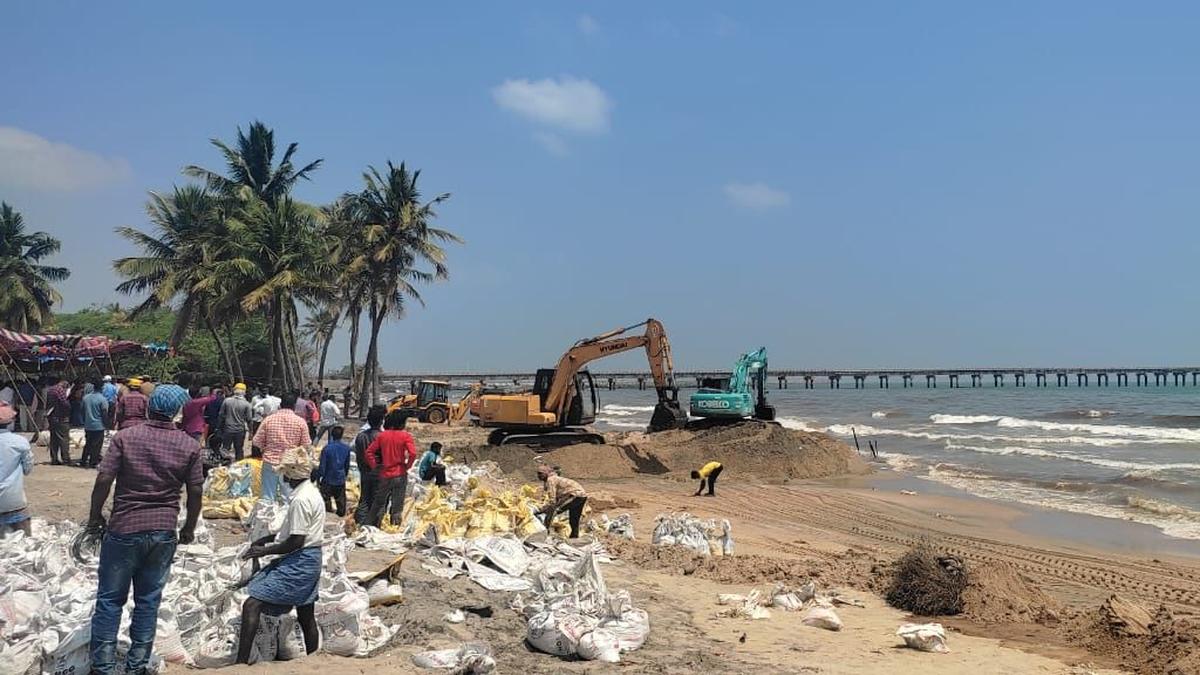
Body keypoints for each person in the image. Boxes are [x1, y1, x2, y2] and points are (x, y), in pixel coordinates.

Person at [87, 384, 202, 675]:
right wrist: (189, 527)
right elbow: (196, 491)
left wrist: (95, 517)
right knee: (148, 602)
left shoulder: (126, 437)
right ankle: (137, 666)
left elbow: (104, 479)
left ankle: (103, 667)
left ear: (150, 407)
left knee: (110, 600)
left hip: (124, 527)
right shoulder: (189, 445)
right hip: (163, 531)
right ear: (176, 411)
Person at [236, 445, 323, 664]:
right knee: (305, 613)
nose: (282, 478)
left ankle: (240, 663)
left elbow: (296, 541)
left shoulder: (301, 500)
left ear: (291, 474)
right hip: (310, 558)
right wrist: (267, 539)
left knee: (252, 604)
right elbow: (293, 531)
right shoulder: (310, 493)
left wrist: (264, 551)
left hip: (300, 561)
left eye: (284, 474)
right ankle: (314, 661)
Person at [252, 392, 312, 503]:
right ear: (294, 406)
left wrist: (265, 448)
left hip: (270, 462)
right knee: (288, 497)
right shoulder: (300, 422)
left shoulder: (268, 420)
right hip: (290, 464)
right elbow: (306, 446)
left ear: (280, 405)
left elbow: (256, 442)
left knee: (267, 496)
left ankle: (267, 513)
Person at [364, 410, 417, 527]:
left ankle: (371, 526)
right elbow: (413, 453)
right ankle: (394, 527)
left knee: (378, 503)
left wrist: (375, 466)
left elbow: (369, 452)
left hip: (385, 474)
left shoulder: (382, 435)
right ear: (401, 423)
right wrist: (407, 466)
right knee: (397, 506)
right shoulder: (406, 436)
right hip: (400, 474)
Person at [0, 402, 33, 538]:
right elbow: (27, 469)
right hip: (14, 501)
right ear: (11, 421)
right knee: (25, 542)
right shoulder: (20, 442)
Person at [352, 404, 386, 525]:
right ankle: (375, 526)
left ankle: (361, 525)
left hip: (365, 472)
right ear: (381, 421)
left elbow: (357, 453)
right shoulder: (383, 437)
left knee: (364, 499)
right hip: (379, 473)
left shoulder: (361, 436)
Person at [535, 466, 588, 539]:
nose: (538, 476)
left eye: (540, 473)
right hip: (582, 496)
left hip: (574, 495)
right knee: (574, 518)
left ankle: (545, 532)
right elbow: (557, 498)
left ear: (546, 473)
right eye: (538, 473)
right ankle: (574, 537)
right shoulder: (555, 479)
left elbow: (552, 500)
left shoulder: (550, 480)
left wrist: (542, 509)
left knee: (554, 510)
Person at [315, 426, 351, 516]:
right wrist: (345, 475)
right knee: (341, 501)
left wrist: (318, 478)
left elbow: (322, 466)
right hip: (340, 478)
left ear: (332, 435)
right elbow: (347, 465)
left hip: (328, 479)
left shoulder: (326, 449)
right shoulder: (346, 448)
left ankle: (328, 513)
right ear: (341, 435)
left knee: (326, 501)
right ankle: (340, 514)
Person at [217, 383, 253, 462]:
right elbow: (249, 419)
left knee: (225, 449)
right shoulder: (246, 404)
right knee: (239, 450)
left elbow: (221, 415)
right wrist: (251, 432)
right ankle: (239, 465)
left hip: (228, 429)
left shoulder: (227, 401)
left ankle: (223, 465)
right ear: (244, 392)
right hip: (240, 430)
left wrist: (218, 428)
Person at [81, 381, 110, 468]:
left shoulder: (86, 398)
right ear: (102, 388)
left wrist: (85, 421)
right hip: (98, 426)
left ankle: (83, 460)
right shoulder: (102, 399)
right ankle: (93, 462)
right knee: (96, 445)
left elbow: (82, 411)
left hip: (88, 425)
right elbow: (104, 413)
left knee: (88, 444)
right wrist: (106, 424)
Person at [46, 376, 72, 465]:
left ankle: (54, 458)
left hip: (52, 417)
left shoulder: (50, 390)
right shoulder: (59, 389)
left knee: (54, 439)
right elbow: (64, 403)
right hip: (61, 417)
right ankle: (66, 458)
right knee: (64, 438)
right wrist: (69, 407)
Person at [203, 386, 225, 455]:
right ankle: (217, 452)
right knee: (218, 439)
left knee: (209, 439)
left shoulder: (208, 400)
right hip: (219, 423)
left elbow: (205, 412)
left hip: (210, 422)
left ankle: (210, 452)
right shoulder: (222, 401)